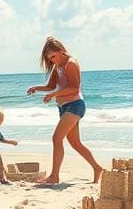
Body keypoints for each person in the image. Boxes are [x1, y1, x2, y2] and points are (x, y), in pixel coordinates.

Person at [27, 36, 103, 185]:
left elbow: (74, 88)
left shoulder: (71, 64)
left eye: (53, 56)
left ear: (61, 51)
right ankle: (97, 167)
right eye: (49, 59)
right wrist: (36, 88)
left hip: (75, 105)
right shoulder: (58, 66)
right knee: (75, 143)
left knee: (56, 138)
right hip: (64, 107)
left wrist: (54, 94)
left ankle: (54, 176)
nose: (52, 60)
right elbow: (51, 86)